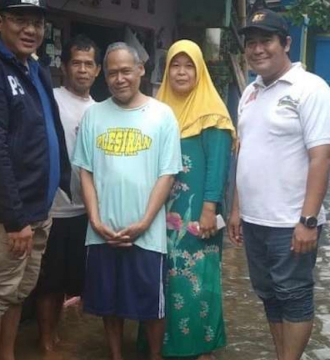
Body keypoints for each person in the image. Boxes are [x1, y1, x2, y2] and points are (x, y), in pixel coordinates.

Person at [0, 0, 71, 359]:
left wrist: (60, 186)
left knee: (19, 293)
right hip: (13, 216)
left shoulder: (35, 69)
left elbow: (50, 131)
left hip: (39, 211)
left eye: (37, 22)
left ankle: (7, 354)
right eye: (20, 20)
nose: (30, 29)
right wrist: (14, 219)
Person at [228, 10, 330, 360]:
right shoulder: (250, 92)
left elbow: (322, 157)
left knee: (294, 295)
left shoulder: (311, 89)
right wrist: (236, 209)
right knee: (269, 294)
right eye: (251, 43)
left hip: (291, 221)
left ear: (286, 43)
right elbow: (244, 152)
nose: (258, 49)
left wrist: (308, 221)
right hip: (255, 219)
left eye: (266, 41)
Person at [72, 42, 182, 360]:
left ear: (140, 70)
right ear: (103, 76)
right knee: (109, 303)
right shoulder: (94, 115)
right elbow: (86, 173)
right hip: (102, 230)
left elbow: (167, 174)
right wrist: (95, 220)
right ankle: (116, 355)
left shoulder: (162, 115)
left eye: (125, 71)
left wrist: (146, 221)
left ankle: (155, 356)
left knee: (151, 305)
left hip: (146, 233)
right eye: (112, 73)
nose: (119, 79)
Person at [154, 39, 235, 359]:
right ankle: (163, 346)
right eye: (175, 65)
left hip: (197, 214)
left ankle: (201, 349)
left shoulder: (212, 113)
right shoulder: (157, 109)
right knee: (165, 281)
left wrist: (209, 209)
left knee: (198, 280)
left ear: (200, 70)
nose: (182, 72)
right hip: (162, 213)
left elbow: (218, 167)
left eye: (189, 65)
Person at [35, 34, 101, 352]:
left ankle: (61, 336)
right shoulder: (50, 100)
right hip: (53, 209)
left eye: (89, 64)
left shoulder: (102, 111)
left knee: (74, 280)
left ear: (98, 70)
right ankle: (46, 341)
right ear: (64, 67)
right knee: (49, 281)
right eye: (77, 63)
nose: (83, 70)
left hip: (86, 211)